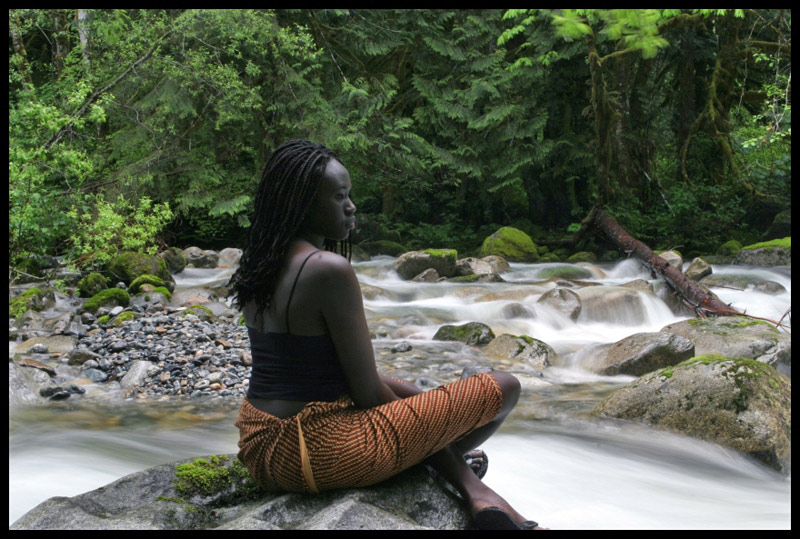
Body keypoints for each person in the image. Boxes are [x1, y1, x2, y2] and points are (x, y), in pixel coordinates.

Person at [231, 139, 544, 530]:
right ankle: (474, 490)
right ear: (301, 204)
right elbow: (366, 394)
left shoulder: (259, 262)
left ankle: (451, 473)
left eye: (350, 195)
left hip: (261, 447)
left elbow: (342, 377)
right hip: (321, 452)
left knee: (425, 399)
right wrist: (456, 456)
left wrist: (429, 403)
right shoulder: (326, 269)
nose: (351, 207)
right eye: (339, 196)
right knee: (504, 386)